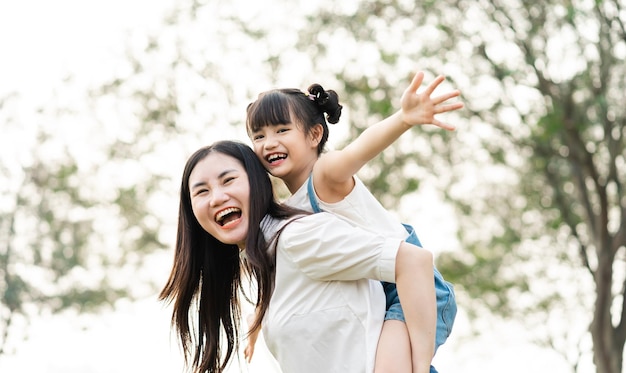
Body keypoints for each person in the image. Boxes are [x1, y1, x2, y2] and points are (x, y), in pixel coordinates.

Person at [246, 70, 462, 373]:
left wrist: (404, 117)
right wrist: (257, 325)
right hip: (379, 291)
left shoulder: (325, 174)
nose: (268, 143)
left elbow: (359, 150)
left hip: (410, 285)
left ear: (314, 135)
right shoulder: (287, 212)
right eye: (258, 136)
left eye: (282, 130)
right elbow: (280, 279)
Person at [159, 140, 435, 373]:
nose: (217, 197)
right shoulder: (266, 259)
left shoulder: (295, 237)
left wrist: (420, 366)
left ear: (257, 183)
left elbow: (413, 260)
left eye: (228, 180)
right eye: (202, 191)